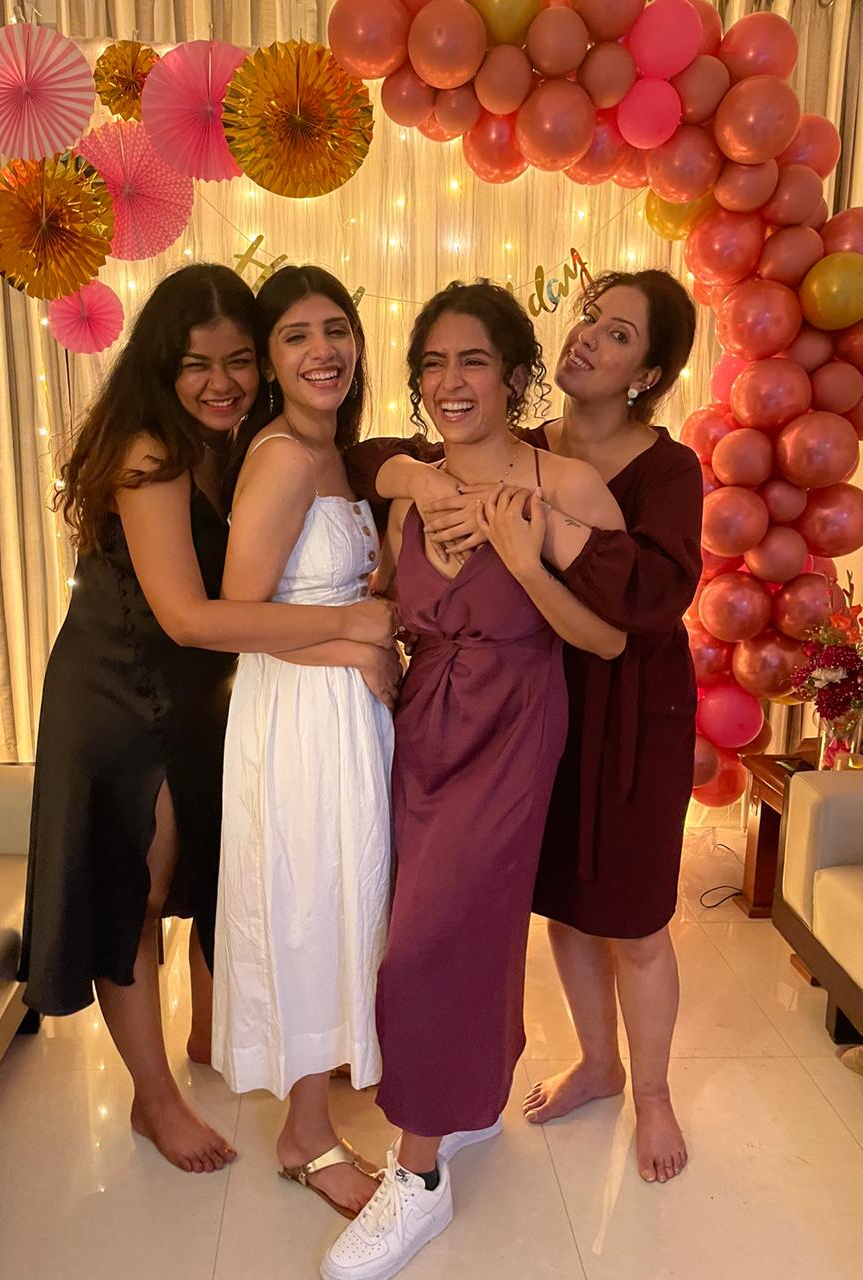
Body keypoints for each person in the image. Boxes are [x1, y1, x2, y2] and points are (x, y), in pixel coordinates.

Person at [19, 264, 395, 1177]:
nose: (221, 381)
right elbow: (190, 615)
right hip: (121, 694)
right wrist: (349, 626)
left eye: (236, 361)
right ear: (162, 365)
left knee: (209, 865)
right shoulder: (151, 450)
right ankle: (154, 1102)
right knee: (137, 894)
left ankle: (201, 1036)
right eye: (199, 364)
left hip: (202, 689)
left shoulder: (233, 442)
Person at [345, 269, 702, 1187]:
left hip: (621, 714)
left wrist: (530, 546)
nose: (592, 337)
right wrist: (418, 483)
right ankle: (585, 1061)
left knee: (630, 911)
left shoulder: (641, 474)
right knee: (548, 910)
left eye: (619, 333)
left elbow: (643, 611)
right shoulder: (489, 449)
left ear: (649, 370)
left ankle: (650, 1092)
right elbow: (371, 468)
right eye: (591, 318)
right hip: (465, 720)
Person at [322, 281, 625, 1280]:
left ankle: (416, 1178)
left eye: (474, 362)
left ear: (514, 374)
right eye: (434, 365)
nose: (452, 382)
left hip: (513, 724)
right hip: (424, 728)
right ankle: (473, 1095)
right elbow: (392, 578)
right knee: (454, 923)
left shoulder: (565, 485)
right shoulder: (409, 485)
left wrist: (524, 559)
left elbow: (611, 635)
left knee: (428, 941)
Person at [211, 266, 398, 1219]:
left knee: (348, 896)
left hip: (347, 709)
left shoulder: (343, 454)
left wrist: (376, 634)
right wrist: (355, 638)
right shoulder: (282, 456)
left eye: (337, 328)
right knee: (308, 902)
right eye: (295, 336)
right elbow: (239, 617)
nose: (323, 350)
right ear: (271, 360)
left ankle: (324, 1102)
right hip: (297, 710)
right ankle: (304, 1137)